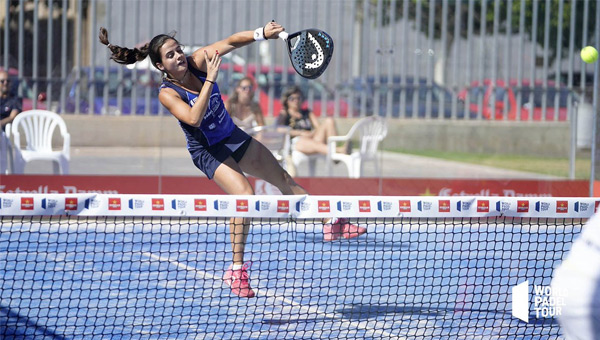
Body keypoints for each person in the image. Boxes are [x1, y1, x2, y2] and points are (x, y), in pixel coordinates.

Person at [99, 22, 366, 299]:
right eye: (170, 55)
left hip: (231, 134)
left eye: (178, 50)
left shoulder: (199, 60)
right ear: (160, 66)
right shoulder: (168, 93)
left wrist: (261, 33)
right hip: (207, 150)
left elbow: (230, 42)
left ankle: (331, 222)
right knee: (245, 196)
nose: (178, 56)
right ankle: (236, 270)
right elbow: (194, 118)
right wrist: (211, 80)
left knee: (283, 178)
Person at [276, 86, 350, 157]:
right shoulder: (285, 113)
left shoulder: (307, 112)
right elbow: (278, 129)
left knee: (329, 120)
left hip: (312, 138)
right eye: (292, 98)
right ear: (286, 100)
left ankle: (335, 148)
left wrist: (311, 133)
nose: (296, 101)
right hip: (296, 142)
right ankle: (338, 151)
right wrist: (301, 133)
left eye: (298, 98)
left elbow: (318, 127)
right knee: (311, 143)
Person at [0, 71, 22, 174]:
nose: (5, 83)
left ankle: (3, 175)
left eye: (7, 81)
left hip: (5, 132)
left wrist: (0, 124)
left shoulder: (14, 99)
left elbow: (13, 117)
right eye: (2, 81)